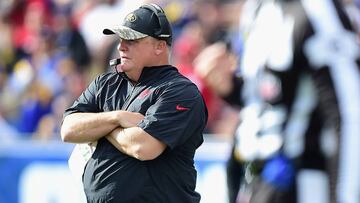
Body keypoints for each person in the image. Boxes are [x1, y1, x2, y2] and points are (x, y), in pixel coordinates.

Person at [194, 0, 360, 202]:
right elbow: (273, 97)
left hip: (300, 180)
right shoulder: (257, 9)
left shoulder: (318, 10)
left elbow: (349, 112)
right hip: (255, 180)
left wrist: (345, 196)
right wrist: (231, 88)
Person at [60, 3, 208, 203]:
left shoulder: (180, 91)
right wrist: (117, 117)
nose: (121, 46)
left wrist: (98, 128)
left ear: (159, 46)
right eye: (121, 39)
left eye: (132, 39)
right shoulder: (105, 84)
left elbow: (143, 147)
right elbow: (68, 130)